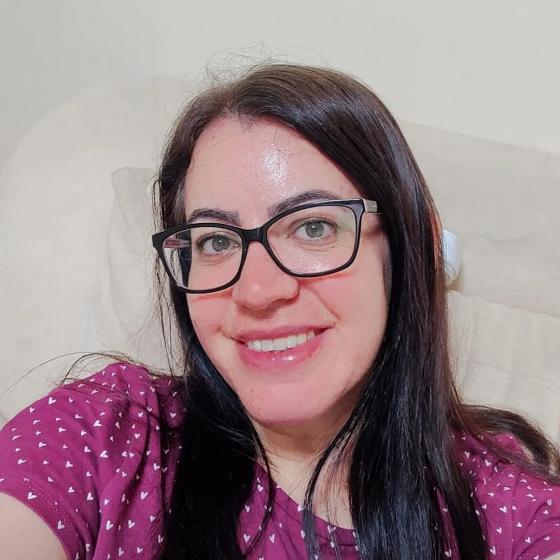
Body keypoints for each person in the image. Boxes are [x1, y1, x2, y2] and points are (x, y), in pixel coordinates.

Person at [0, 63, 559, 560]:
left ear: (410, 245)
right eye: (216, 241)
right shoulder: (102, 436)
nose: (257, 291)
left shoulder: (504, 506)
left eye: (313, 227)